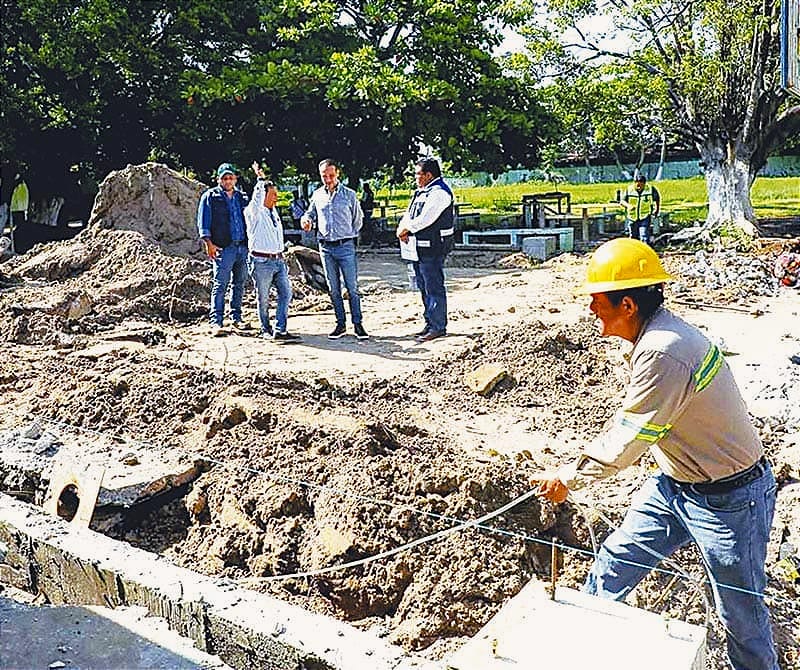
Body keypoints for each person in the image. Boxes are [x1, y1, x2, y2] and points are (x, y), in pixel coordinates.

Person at [533, 238, 778, 670]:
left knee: (741, 618)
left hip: (730, 499)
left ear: (627, 304)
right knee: (614, 564)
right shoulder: (653, 335)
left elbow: (632, 435)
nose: (591, 310)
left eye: (597, 301)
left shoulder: (665, 350)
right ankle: (574, 651)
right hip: (675, 485)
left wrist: (570, 477)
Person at [301, 158, 369, 340]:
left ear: (337, 173)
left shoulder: (349, 195)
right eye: (324, 176)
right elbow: (310, 213)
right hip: (325, 248)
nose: (328, 179)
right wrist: (307, 220)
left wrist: (349, 234)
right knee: (333, 288)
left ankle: (358, 324)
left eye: (331, 175)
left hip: (345, 245)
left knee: (352, 287)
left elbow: (358, 219)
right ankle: (340, 324)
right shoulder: (317, 195)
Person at [396, 158, 455, 342]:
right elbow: (410, 213)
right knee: (423, 286)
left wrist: (408, 229)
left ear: (429, 175)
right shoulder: (422, 191)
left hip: (434, 246)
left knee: (433, 286)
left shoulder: (439, 193)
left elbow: (426, 218)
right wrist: (402, 228)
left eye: (418, 174)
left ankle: (438, 326)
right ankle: (430, 322)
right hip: (418, 247)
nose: (415, 178)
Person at [245, 161, 301, 343]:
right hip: (261, 262)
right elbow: (256, 197)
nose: (276, 198)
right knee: (263, 298)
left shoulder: (273, 212)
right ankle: (265, 329)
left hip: (278, 260)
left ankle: (280, 329)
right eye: (273, 195)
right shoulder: (254, 212)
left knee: (286, 293)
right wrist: (261, 179)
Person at [196, 163, 251, 337]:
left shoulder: (241, 197)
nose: (228, 181)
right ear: (219, 179)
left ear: (235, 179)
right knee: (220, 284)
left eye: (230, 178)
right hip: (223, 247)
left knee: (239, 283)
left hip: (241, 246)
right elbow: (203, 221)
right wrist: (208, 243)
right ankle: (216, 321)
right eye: (224, 178)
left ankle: (237, 317)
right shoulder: (210, 197)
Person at [623, 175, 660, 245]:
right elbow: (622, 201)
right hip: (632, 217)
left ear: (644, 184)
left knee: (644, 236)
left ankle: (645, 252)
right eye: (637, 185)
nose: (639, 187)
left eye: (641, 185)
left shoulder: (650, 189)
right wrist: (628, 206)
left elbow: (657, 199)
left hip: (645, 216)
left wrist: (657, 209)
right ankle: (634, 252)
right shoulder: (629, 190)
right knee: (633, 237)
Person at [359, 182, 376, 246]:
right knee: (368, 221)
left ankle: (366, 238)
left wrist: (360, 202)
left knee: (366, 223)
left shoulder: (366, 193)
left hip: (366, 209)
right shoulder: (371, 193)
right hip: (370, 209)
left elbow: (363, 200)